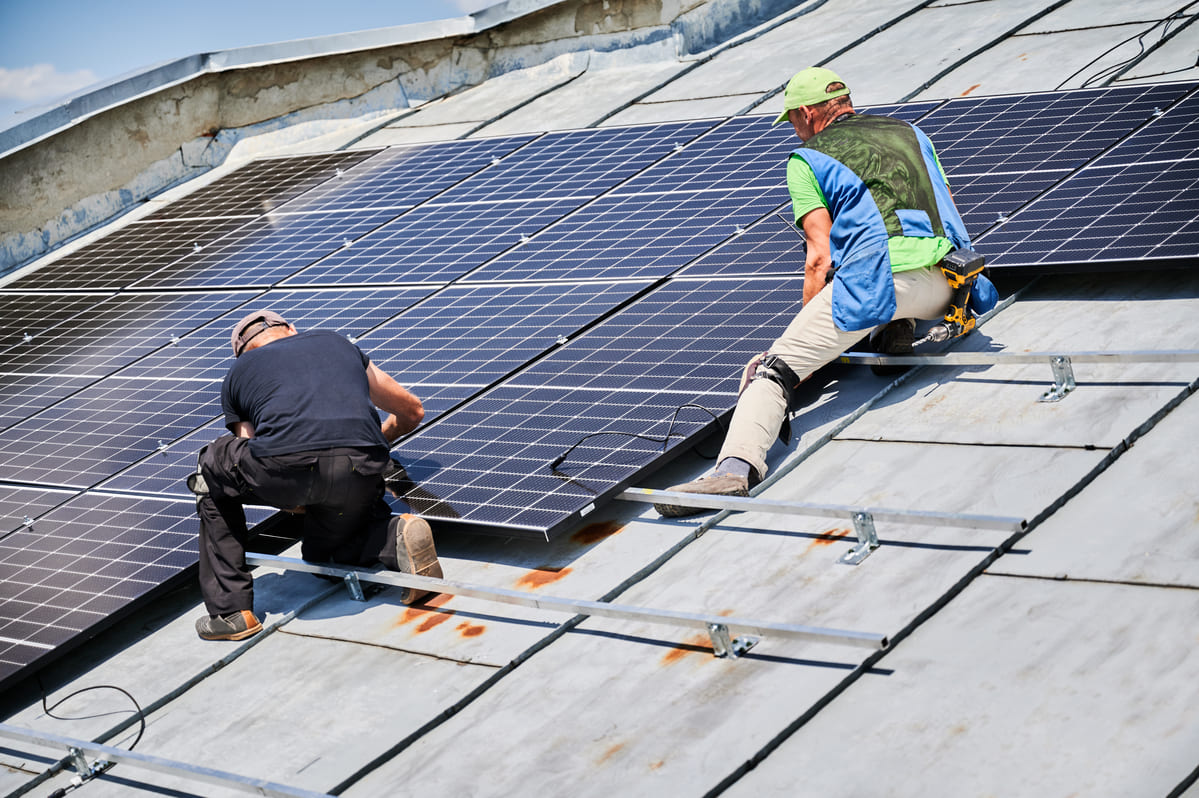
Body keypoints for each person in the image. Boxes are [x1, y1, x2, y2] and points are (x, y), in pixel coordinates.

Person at [655, 67, 996, 517]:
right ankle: (895, 330)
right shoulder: (910, 131)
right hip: (952, 287)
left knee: (772, 370)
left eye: (793, 119)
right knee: (885, 267)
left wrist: (809, 352)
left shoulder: (806, 159)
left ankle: (734, 470)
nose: (793, 130)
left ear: (811, 112)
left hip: (884, 283)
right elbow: (942, 206)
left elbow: (819, 256)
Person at [188, 310, 442, 640]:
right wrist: (361, 447)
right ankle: (393, 539)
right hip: (362, 468)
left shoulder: (239, 373)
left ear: (242, 351)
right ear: (291, 330)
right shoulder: (335, 342)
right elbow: (412, 411)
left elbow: (252, 452)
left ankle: (231, 611)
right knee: (322, 556)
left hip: (288, 472)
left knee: (211, 469)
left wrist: (299, 492)